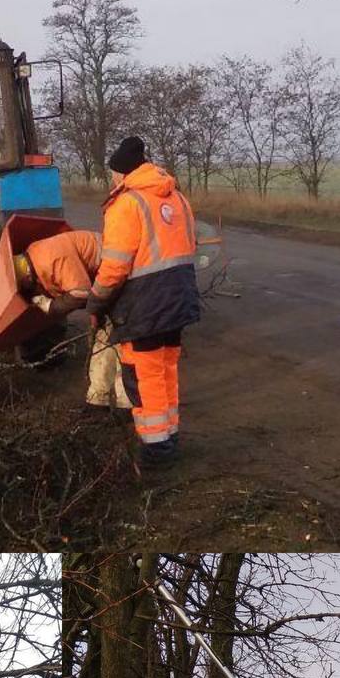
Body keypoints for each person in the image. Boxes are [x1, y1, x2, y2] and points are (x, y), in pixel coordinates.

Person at [87, 136, 201, 467]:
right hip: (179, 297)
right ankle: (170, 435)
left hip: (145, 304)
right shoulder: (176, 197)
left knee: (144, 375)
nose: (112, 180)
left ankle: (157, 451)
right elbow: (189, 243)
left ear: (121, 173)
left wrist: (96, 301)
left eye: (113, 175)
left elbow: (115, 266)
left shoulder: (127, 204)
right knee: (166, 370)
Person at [12, 231, 131, 413]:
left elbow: (80, 293)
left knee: (122, 342)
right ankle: (98, 401)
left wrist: (51, 307)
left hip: (119, 277)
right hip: (106, 279)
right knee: (105, 338)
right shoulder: (35, 253)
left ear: (27, 277)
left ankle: (126, 404)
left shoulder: (51, 259)